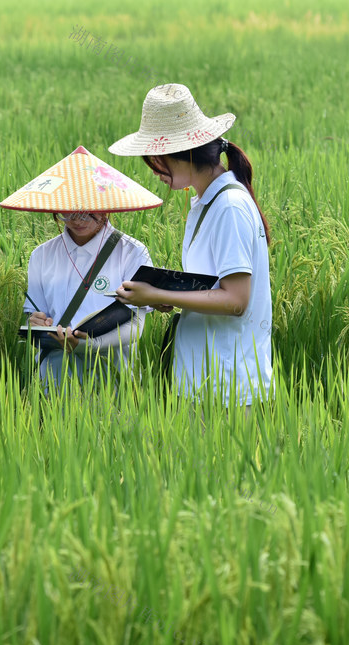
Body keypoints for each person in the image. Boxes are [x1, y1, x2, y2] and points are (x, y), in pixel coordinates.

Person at [109, 83, 274, 407]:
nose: (153, 171)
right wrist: (171, 296)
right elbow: (211, 288)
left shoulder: (228, 207)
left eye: (156, 159)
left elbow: (236, 300)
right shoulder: (205, 202)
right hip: (204, 379)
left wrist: (155, 294)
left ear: (183, 153)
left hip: (228, 387)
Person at [0, 146, 162, 388]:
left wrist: (88, 346)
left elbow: (136, 326)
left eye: (87, 211)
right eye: (68, 212)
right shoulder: (42, 255)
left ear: (107, 206)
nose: (76, 220)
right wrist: (36, 322)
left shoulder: (131, 252)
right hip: (54, 380)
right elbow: (34, 315)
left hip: (113, 379)